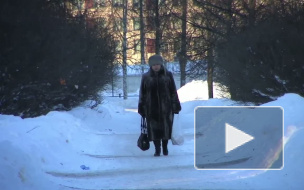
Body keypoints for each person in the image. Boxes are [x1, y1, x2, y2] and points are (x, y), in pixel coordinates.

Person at [138, 54, 181, 156]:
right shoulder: (146, 77)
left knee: (166, 129)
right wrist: (142, 108)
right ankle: (157, 149)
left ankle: (165, 148)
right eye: (154, 65)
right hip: (151, 109)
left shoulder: (168, 75)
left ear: (161, 64)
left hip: (166, 108)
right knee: (154, 130)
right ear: (150, 66)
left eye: (158, 64)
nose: (156, 66)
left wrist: (175, 105)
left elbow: (173, 91)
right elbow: (142, 94)